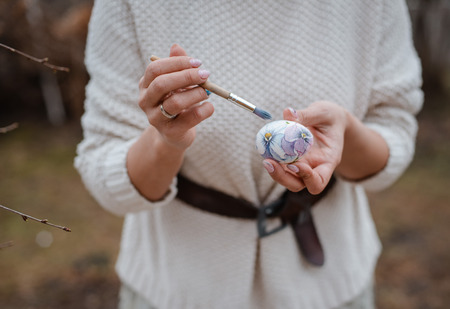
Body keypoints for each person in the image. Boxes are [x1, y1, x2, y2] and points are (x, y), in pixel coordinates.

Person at [74, 0, 423, 308]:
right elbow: (105, 169)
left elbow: (393, 128)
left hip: (331, 285)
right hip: (180, 288)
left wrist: (345, 129)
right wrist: (166, 142)